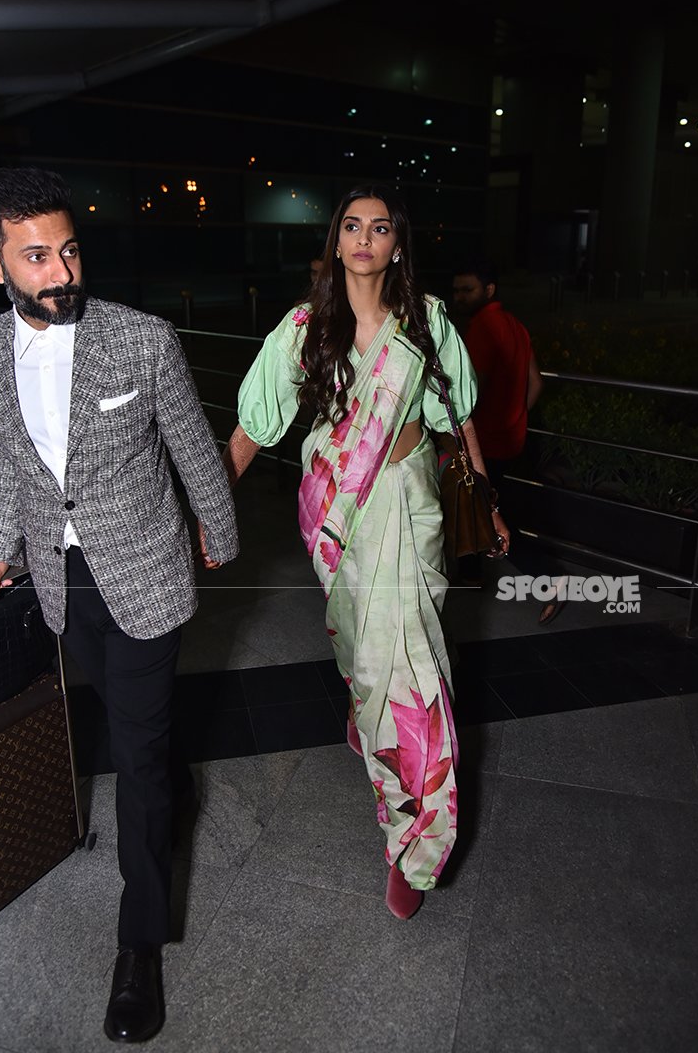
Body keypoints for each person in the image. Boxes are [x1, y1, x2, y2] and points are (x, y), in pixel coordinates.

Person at [0, 167, 238, 1044]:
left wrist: (217, 533)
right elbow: (14, 468)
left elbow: (193, 445)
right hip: (61, 583)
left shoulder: (140, 339)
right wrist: (0, 550)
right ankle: (173, 788)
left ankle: (139, 945)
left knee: (137, 761)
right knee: (123, 721)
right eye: (36, 256)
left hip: (147, 569)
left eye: (68, 249)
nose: (60, 270)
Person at [220, 184, 509, 920]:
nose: (364, 238)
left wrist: (489, 500)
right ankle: (361, 698)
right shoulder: (303, 329)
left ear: (397, 245)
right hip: (334, 513)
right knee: (360, 646)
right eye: (351, 225)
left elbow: (459, 418)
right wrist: (208, 508)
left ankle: (414, 846)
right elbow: (255, 426)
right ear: (336, 240)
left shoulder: (427, 325)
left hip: (408, 513)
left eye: (379, 228)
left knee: (410, 677)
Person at [451, 259, 563, 622]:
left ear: (489, 290)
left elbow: (473, 392)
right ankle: (469, 575)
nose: (459, 297)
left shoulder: (482, 328)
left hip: (483, 441)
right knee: (475, 505)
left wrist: (472, 427)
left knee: (489, 513)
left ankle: (548, 580)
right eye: (456, 290)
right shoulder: (516, 325)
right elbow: (537, 382)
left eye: (467, 290)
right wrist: (515, 416)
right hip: (510, 438)